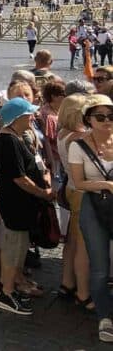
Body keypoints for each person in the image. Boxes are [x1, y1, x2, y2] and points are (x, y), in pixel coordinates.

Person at [0, 96, 53, 316]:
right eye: (29, 114)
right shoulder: (8, 140)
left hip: (21, 204)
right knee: (13, 249)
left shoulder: (16, 137)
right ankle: (7, 293)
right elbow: (19, 178)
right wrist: (42, 193)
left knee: (18, 249)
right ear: (17, 118)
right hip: (15, 203)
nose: (33, 117)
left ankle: (8, 286)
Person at [66, 94, 113, 341]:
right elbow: (78, 182)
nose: (107, 121)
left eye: (111, 116)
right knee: (99, 267)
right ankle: (105, 317)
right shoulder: (78, 145)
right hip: (94, 206)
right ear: (89, 119)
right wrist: (106, 184)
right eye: (101, 116)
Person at [57, 92, 94, 311]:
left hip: (71, 188)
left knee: (71, 240)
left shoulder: (63, 133)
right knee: (83, 245)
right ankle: (83, 292)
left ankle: (67, 281)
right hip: (82, 191)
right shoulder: (79, 138)